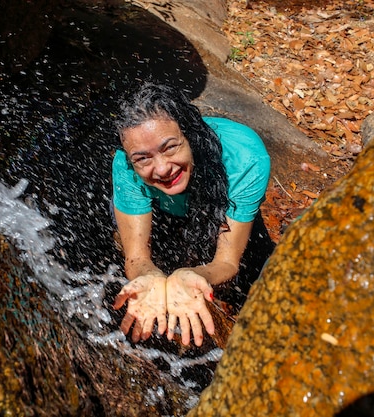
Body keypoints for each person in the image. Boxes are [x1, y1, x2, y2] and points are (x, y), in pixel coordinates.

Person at [111, 82, 270, 347]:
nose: (162, 169)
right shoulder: (125, 165)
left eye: (170, 148)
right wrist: (150, 276)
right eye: (143, 159)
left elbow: (227, 263)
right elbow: (137, 257)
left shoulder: (246, 159)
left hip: (219, 200)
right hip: (162, 210)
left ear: (190, 135)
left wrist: (196, 275)